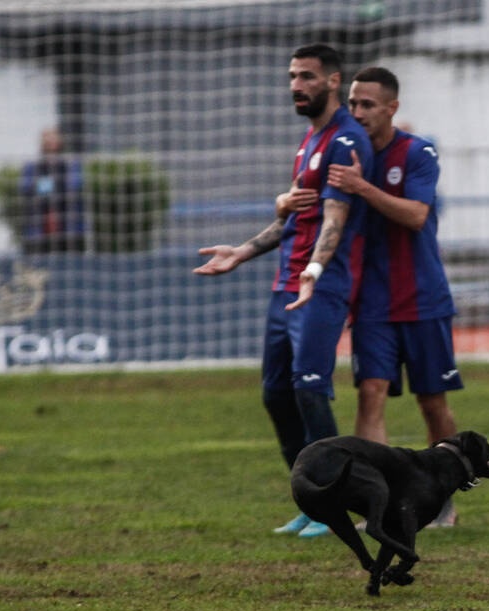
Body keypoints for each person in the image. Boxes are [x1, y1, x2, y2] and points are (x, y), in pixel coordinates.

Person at [195, 44, 373, 539]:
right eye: (293, 76)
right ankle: (311, 499)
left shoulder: (345, 140)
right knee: (276, 396)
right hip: (285, 285)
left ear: (333, 81)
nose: (297, 85)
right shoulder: (309, 140)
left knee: (310, 390)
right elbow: (295, 219)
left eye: (307, 76)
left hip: (321, 285)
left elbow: (335, 218)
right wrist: (242, 251)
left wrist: (314, 269)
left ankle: (337, 502)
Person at [327, 66, 463, 527]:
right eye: (353, 103)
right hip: (372, 303)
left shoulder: (417, 153)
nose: (357, 111)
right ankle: (378, 507)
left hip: (423, 300)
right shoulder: (347, 153)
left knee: (432, 402)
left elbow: (416, 215)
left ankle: (443, 503)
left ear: (392, 108)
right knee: (370, 394)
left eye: (367, 104)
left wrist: (362, 187)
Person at [19, 127, 85, 253]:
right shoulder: (32, 166)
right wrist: (53, 185)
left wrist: (48, 185)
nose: (50, 142)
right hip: (39, 226)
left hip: (68, 227)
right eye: (47, 139)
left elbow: (74, 186)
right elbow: (26, 188)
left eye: (54, 138)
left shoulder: (71, 164)